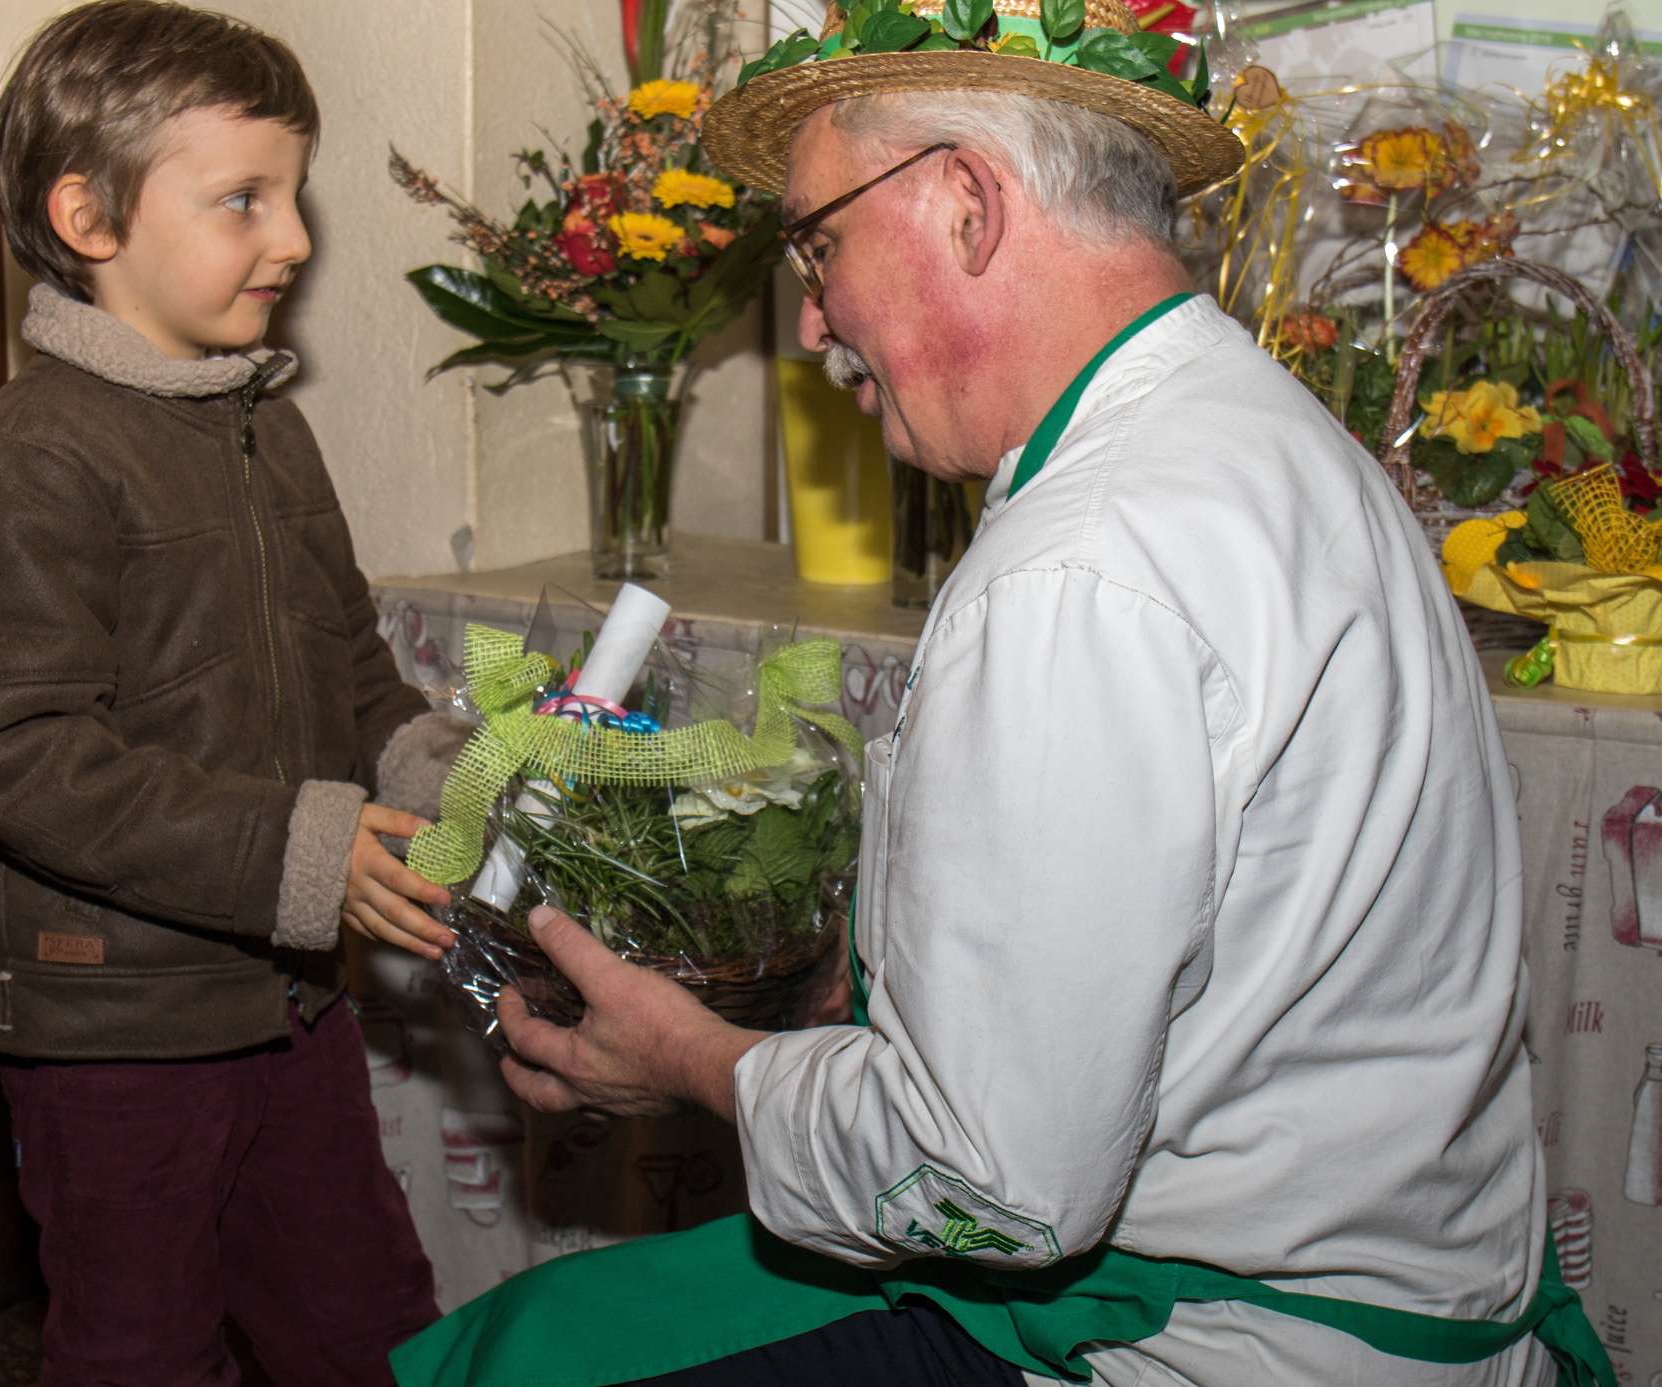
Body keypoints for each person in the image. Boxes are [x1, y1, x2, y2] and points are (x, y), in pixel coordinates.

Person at [391, 3, 1612, 1385]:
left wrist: (690, 1061)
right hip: (1381, 1284)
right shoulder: (1261, 433)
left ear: (969, 205)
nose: (811, 320)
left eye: (818, 242)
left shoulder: (1081, 566)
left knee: (513, 1364)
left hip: (1214, 1343)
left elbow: (999, 1187)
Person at [0, 4, 466, 1382]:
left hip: (286, 1000)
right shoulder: (24, 466)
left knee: (364, 1318)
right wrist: (301, 852)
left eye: (293, 196)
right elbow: (23, 759)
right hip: (114, 1031)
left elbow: (350, 676)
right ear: (87, 215)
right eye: (243, 201)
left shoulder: (269, 429)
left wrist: (447, 779)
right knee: (139, 1346)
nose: (295, 240)